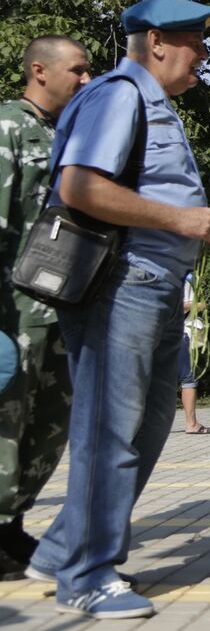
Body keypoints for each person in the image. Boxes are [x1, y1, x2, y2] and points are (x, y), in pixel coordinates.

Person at [27, 0, 210, 619]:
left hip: (156, 285)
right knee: (108, 432)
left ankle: (64, 548)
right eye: (196, 43)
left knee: (146, 428)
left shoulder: (152, 101)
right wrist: (181, 217)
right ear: (159, 42)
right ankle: (87, 576)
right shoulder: (119, 95)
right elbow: (79, 187)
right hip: (121, 284)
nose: (204, 57)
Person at [0, 35, 90, 578]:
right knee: (6, 419)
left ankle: (11, 526)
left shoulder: (69, 133)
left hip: (62, 306)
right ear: (40, 69)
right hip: (14, 308)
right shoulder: (8, 127)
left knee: (49, 424)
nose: (84, 79)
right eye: (77, 70)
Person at [178, 274, 210, 434]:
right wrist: (201, 305)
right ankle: (191, 424)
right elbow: (180, 305)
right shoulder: (183, 276)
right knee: (188, 377)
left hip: (170, 331)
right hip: (181, 332)